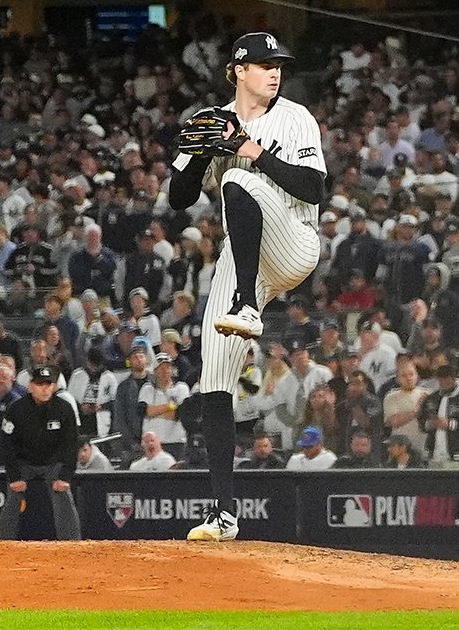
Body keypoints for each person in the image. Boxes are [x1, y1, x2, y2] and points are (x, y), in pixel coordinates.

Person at [169, 32, 326, 542]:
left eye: (278, 63)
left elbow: (313, 187)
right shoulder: (212, 117)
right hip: (244, 258)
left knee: (239, 180)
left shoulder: (296, 116)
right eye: (262, 64)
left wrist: (250, 150)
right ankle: (223, 513)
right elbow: (178, 198)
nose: (274, 71)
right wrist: (197, 153)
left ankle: (245, 304)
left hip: (294, 241)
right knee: (214, 377)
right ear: (238, 70)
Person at [0, 365, 81, 541]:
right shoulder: (16, 409)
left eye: (48, 384)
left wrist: (65, 476)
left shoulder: (64, 408)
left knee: (64, 495)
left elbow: (71, 444)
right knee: (13, 497)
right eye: (40, 384)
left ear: (54, 386)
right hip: (23, 462)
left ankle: (72, 543)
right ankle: (3, 542)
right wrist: (14, 476)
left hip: (53, 463)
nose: (45, 388)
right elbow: (6, 443)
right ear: (31, 386)